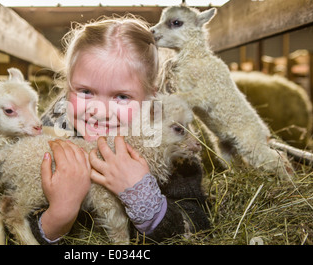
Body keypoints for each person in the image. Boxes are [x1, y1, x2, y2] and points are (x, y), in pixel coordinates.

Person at [28, 16, 210, 244]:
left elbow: (200, 223)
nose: (101, 111)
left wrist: (144, 199)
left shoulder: (169, 145)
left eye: (122, 96)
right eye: (85, 91)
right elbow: (11, 210)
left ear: (150, 98)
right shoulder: (50, 135)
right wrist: (57, 217)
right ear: (68, 87)